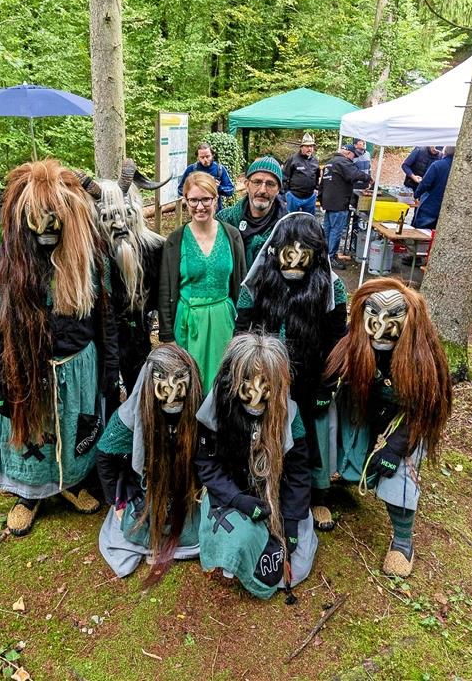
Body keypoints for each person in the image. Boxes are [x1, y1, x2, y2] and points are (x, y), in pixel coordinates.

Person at [0, 159, 121, 536]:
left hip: (78, 368)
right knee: (31, 437)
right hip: (26, 372)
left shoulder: (89, 258)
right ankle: (28, 495)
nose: (47, 226)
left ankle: (72, 483)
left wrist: (110, 373)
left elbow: (106, 322)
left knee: (77, 431)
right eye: (38, 215)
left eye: (56, 214)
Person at [321, 278, 451, 577]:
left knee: (400, 471)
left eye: (391, 319)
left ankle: (403, 539)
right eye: (374, 318)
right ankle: (332, 482)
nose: (381, 328)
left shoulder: (423, 358)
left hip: (402, 426)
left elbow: (426, 411)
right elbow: (331, 380)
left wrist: (395, 446)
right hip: (362, 418)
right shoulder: (353, 344)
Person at [234, 213, 348, 531]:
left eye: (303, 252)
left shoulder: (331, 289)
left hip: (310, 383)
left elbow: (338, 342)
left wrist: (327, 386)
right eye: (288, 251)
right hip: (263, 382)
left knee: (313, 439)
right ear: (275, 249)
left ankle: (318, 495)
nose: (295, 260)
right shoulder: (256, 285)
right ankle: (262, 487)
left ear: (315, 254)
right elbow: (241, 333)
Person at [194, 333, 317, 600]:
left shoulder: (289, 415)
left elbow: (298, 472)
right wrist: (237, 499)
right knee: (238, 540)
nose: (256, 393)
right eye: (248, 381)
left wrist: (291, 522)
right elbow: (207, 463)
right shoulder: (217, 407)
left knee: (298, 562)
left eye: (266, 383)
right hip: (230, 495)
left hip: (275, 498)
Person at [96, 344, 203, 579]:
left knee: (193, 532)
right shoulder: (129, 417)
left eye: (179, 382)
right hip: (145, 487)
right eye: (163, 384)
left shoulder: (199, 413)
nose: (173, 394)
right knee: (138, 527)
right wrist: (116, 503)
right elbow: (105, 456)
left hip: (186, 488)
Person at [158, 172, 247, 391]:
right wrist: (167, 335)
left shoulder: (232, 236)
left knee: (222, 384)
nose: (200, 206)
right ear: (185, 201)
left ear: (215, 200)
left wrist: (244, 329)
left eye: (206, 199)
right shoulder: (175, 240)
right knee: (189, 385)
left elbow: (242, 285)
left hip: (223, 323)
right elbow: (165, 288)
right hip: (188, 324)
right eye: (194, 200)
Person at [88, 164, 165, 393]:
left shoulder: (153, 249)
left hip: (136, 334)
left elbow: (162, 295)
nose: (119, 224)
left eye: (124, 215)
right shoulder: (91, 257)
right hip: (100, 341)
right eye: (109, 217)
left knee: (138, 384)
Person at [217, 155, 288, 266]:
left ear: (278, 189)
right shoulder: (225, 220)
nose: (262, 190)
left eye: (270, 184)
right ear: (247, 185)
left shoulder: (288, 226)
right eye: (257, 182)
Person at [320, 144, 369, 268]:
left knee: (328, 231)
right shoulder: (343, 162)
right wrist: (368, 178)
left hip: (329, 203)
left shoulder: (330, 163)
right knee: (335, 231)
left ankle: (323, 255)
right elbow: (355, 174)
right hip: (339, 203)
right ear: (348, 154)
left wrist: (322, 200)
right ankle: (331, 257)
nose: (354, 159)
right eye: (353, 156)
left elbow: (322, 185)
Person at [411, 146, 454, 230]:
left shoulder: (437, 165)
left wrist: (416, 195)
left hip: (430, 206)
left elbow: (425, 184)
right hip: (448, 208)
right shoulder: (460, 168)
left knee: (421, 233)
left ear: (444, 152)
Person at [281, 133, 321, 215]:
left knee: (308, 220)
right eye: (307, 146)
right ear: (301, 147)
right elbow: (284, 177)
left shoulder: (315, 161)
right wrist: (285, 193)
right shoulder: (293, 159)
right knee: (290, 219)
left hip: (310, 197)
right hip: (294, 196)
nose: (309, 148)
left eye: (311, 146)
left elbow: (317, 176)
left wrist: (316, 189)